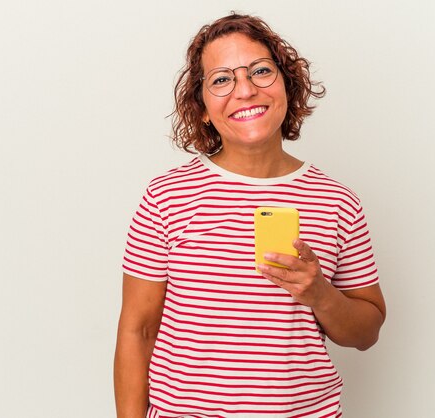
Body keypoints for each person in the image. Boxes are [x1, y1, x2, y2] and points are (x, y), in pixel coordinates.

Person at [114, 13, 386, 418]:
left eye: (260, 71)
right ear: (202, 107)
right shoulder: (167, 197)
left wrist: (320, 294)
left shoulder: (336, 201)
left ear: (288, 88)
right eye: (221, 79)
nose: (244, 89)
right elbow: (138, 332)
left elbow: (367, 333)